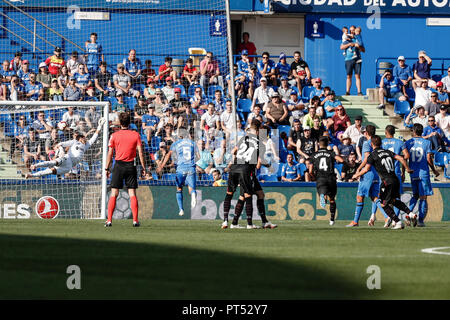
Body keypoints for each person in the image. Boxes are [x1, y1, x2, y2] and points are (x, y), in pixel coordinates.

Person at [222, 119, 276, 229]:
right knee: (247, 195)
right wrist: (269, 166)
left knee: (257, 194)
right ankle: (249, 224)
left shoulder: (243, 138)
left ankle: (229, 222)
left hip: (235, 167)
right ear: (258, 130)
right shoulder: (260, 143)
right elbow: (260, 162)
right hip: (246, 170)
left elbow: (233, 151)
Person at [352, 135, 414, 230]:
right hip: (395, 179)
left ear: (372, 144)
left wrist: (357, 175)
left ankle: (397, 222)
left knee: (383, 204)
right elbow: (402, 158)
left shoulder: (372, 155)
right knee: (393, 201)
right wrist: (408, 169)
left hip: (386, 182)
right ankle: (410, 213)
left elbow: (367, 169)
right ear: (381, 143)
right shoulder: (388, 152)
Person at [26, 117, 105, 178]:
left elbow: (94, 137)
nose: (85, 139)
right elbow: (62, 143)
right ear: (80, 138)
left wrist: (99, 126)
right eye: (83, 138)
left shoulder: (86, 145)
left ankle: (32, 175)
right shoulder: (75, 141)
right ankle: (36, 166)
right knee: (53, 163)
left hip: (69, 166)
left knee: (51, 171)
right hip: (67, 158)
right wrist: (59, 148)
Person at [105, 113, 145, 227]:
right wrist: (143, 167)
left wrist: (107, 168)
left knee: (114, 193)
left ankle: (109, 221)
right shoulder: (135, 135)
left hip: (118, 165)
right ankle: (135, 220)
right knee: (132, 193)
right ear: (129, 122)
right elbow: (140, 153)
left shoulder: (114, 135)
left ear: (120, 122)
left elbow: (110, 153)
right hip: (130, 165)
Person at [347, 125, 388, 227]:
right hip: (377, 173)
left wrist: (359, 168)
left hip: (368, 173)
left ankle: (355, 221)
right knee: (374, 197)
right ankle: (387, 216)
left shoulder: (366, 143)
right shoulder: (378, 143)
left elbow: (367, 157)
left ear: (366, 133)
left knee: (359, 196)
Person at [405, 124, 440, 227]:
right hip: (423, 173)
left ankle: (409, 214)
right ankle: (420, 220)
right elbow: (429, 159)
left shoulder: (408, 142)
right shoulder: (427, 143)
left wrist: (404, 171)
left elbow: (405, 158)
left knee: (415, 195)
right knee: (423, 197)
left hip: (412, 173)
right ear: (422, 131)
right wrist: (434, 170)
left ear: (413, 131)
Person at [157, 130, 198, 216]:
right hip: (191, 167)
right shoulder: (193, 143)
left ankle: (181, 209)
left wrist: (162, 165)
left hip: (181, 168)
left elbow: (168, 155)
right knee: (191, 188)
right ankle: (193, 194)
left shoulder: (176, 143)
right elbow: (198, 156)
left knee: (179, 188)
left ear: (180, 136)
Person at [309, 136, 345, 225]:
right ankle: (332, 219)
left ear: (318, 144)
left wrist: (313, 176)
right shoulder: (331, 153)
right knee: (332, 199)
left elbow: (310, 170)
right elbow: (340, 160)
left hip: (320, 178)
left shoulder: (314, 155)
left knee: (322, 191)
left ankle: (323, 196)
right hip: (331, 178)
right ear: (327, 143)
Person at [381, 125, 410, 225]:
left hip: (385, 174)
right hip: (396, 172)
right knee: (396, 198)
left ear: (386, 132)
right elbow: (406, 155)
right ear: (394, 132)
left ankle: (391, 218)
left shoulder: (382, 142)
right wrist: (403, 171)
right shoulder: (400, 142)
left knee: (383, 198)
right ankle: (395, 220)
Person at [340, 25, 365, 95]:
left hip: (357, 59)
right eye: (350, 30)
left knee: (357, 76)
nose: (352, 31)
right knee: (348, 76)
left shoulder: (358, 38)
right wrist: (349, 44)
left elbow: (363, 50)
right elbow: (341, 47)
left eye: (353, 30)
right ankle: (347, 92)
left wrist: (358, 46)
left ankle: (359, 92)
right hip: (348, 59)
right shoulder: (347, 38)